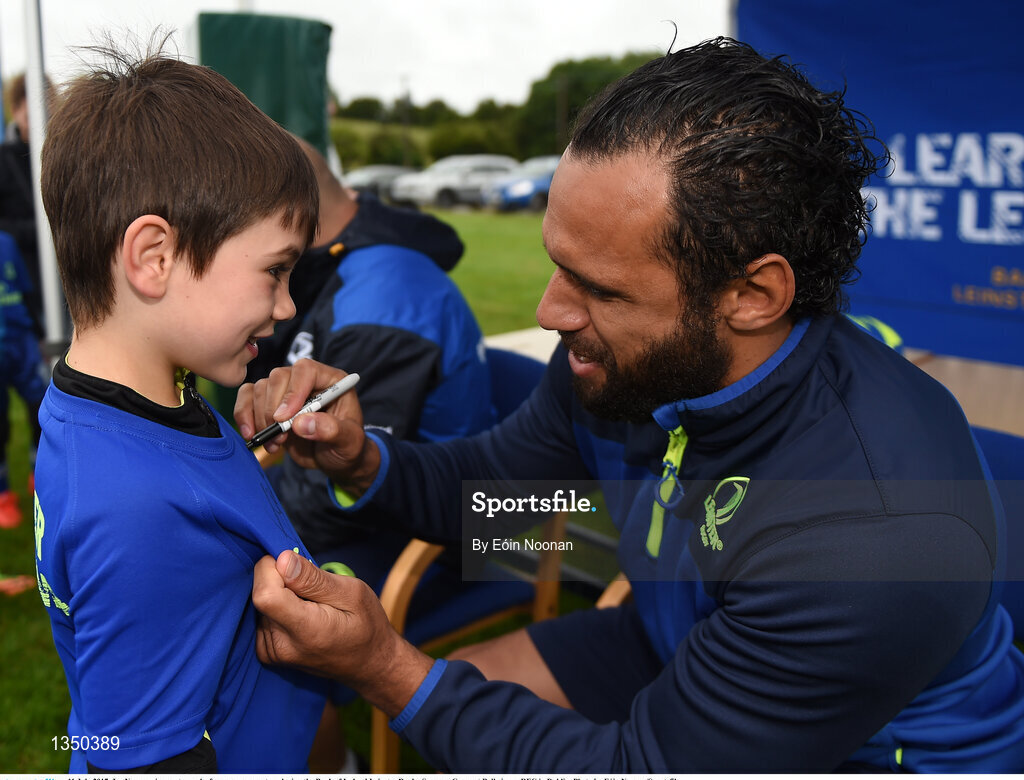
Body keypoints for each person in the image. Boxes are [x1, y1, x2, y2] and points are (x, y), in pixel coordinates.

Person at [243, 37, 1024, 773]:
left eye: (600, 287)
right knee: (456, 702)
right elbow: (496, 496)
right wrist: (360, 456)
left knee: (435, 702)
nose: (550, 312)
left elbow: (637, 771)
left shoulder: (863, 537)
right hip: (674, 636)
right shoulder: (626, 360)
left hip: (871, 756)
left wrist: (384, 665)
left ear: (752, 294)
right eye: (559, 264)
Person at [33, 49, 328, 772]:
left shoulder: (119, 405)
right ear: (155, 257)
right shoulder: (140, 512)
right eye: (275, 270)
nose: (287, 306)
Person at [257, 136, 494, 773]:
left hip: (436, 540)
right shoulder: (337, 269)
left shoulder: (383, 298)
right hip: (386, 509)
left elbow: (347, 492)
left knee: (245, 613)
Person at [255, 137, 494, 558]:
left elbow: (329, 507)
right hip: (363, 501)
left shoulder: (378, 311)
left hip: (410, 539)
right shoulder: (350, 264)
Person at [0, 231, 47, 528]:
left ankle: (38, 476)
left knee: (40, 408)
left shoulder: (7, 242)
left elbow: (26, 289)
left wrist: (40, 335)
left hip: (22, 343)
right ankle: (3, 496)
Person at [0, 73, 51, 337]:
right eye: (30, 116)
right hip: (24, 282)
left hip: (61, 277)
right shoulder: (4, 159)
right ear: (16, 110)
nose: (36, 125)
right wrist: (39, 232)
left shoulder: (58, 156)